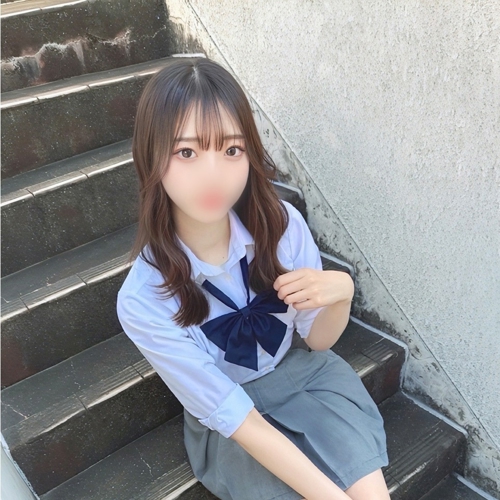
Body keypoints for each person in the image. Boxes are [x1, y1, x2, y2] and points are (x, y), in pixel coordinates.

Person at [116, 56, 390, 500]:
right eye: (187, 152)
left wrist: (342, 294)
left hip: (305, 378)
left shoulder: (281, 226)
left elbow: (317, 340)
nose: (213, 176)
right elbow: (237, 420)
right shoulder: (143, 299)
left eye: (231, 150)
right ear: (151, 158)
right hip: (231, 425)